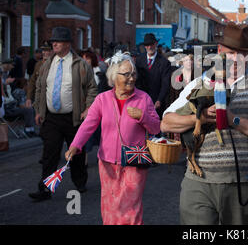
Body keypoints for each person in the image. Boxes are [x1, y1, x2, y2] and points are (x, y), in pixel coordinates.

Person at [161, 22, 248, 225]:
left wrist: (233, 119)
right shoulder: (199, 84)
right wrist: (198, 118)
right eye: (230, 52)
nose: (235, 59)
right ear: (219, 52)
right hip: (198, 183)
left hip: (241, 183)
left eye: (241, 53)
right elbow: (166, 123)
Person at [65, 51, 160, 225]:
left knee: (131, 207)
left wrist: (142, 116)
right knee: (110, 205)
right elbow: (88, 125)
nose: (131, 78)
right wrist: (75, 145)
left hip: (135, 161)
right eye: (126, 74)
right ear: (113, 76)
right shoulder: (102, 99)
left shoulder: (144, 98)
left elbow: (156, 127)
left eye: (133, 74)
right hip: (108, 162)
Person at [28, 27, 98, 202]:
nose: (54, 44)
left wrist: (88, 108)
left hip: (73, 117)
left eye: (57, 41)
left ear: (67, 44)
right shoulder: (47, 64)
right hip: (51, 117)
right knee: (49, 154)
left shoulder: (79, 64)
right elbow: (39, 88)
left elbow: (91, 88)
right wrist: (38, 110)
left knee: (76, 153)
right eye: (53, 41)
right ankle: (45, 188)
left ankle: (80, 182)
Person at [135, 33, 172, 120]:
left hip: (157, 102)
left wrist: (159, 100)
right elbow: (137, 81)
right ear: (144, 46)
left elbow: (165, 84)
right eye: (147, 45)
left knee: (156, 128)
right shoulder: (139, 60)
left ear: (155, 44)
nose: (149, 47)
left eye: (151, 44)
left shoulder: (164, 62)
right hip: (141, 100)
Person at [26, 41, 53, 108]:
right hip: (39, 98)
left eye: (47, 50)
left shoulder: (56, 64)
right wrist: (29, 98)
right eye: (43, 50)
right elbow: (32, 81)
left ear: (52, 51)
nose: (44, 53)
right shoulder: (38, 64)